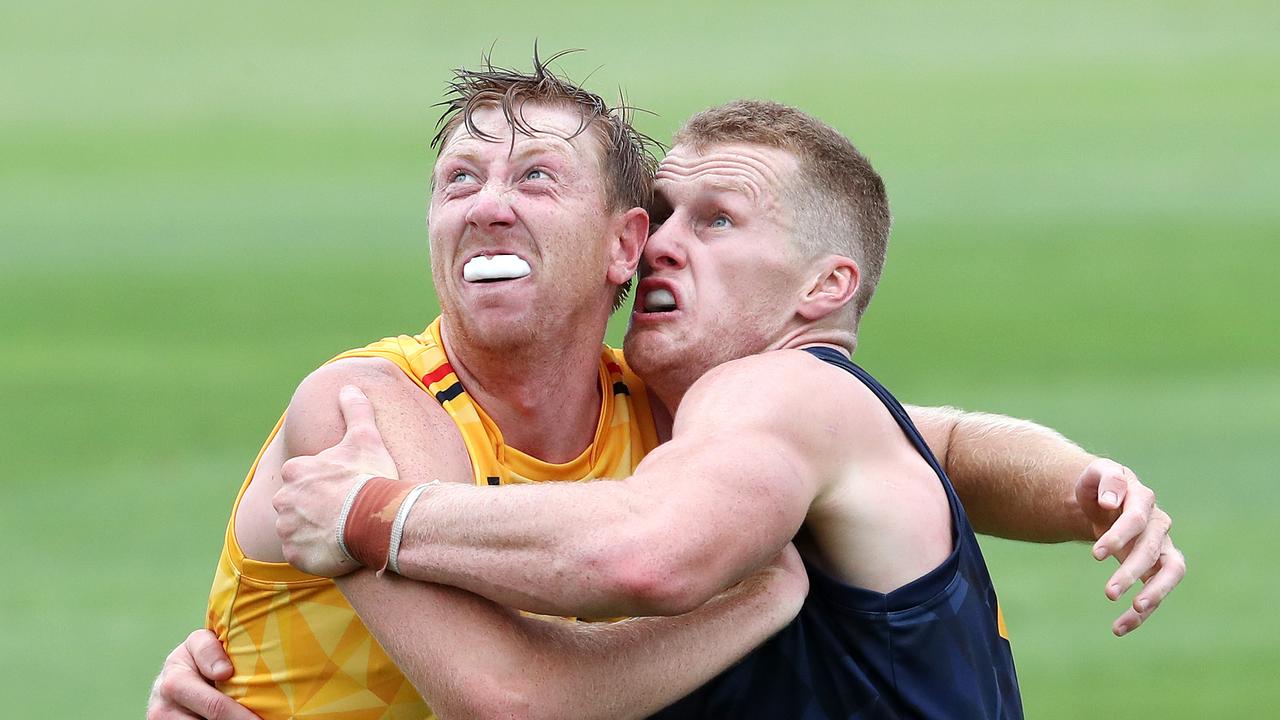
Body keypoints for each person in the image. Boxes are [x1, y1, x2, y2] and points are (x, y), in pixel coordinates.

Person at [148, 57, 1183, 720]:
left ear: (615, 245)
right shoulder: (369, 408)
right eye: (458, 182)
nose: (487, 209)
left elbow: (934, 443)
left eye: (535, 180)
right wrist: (760, 600)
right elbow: (510, 700)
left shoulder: (715, 417)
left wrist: (1081, 482)